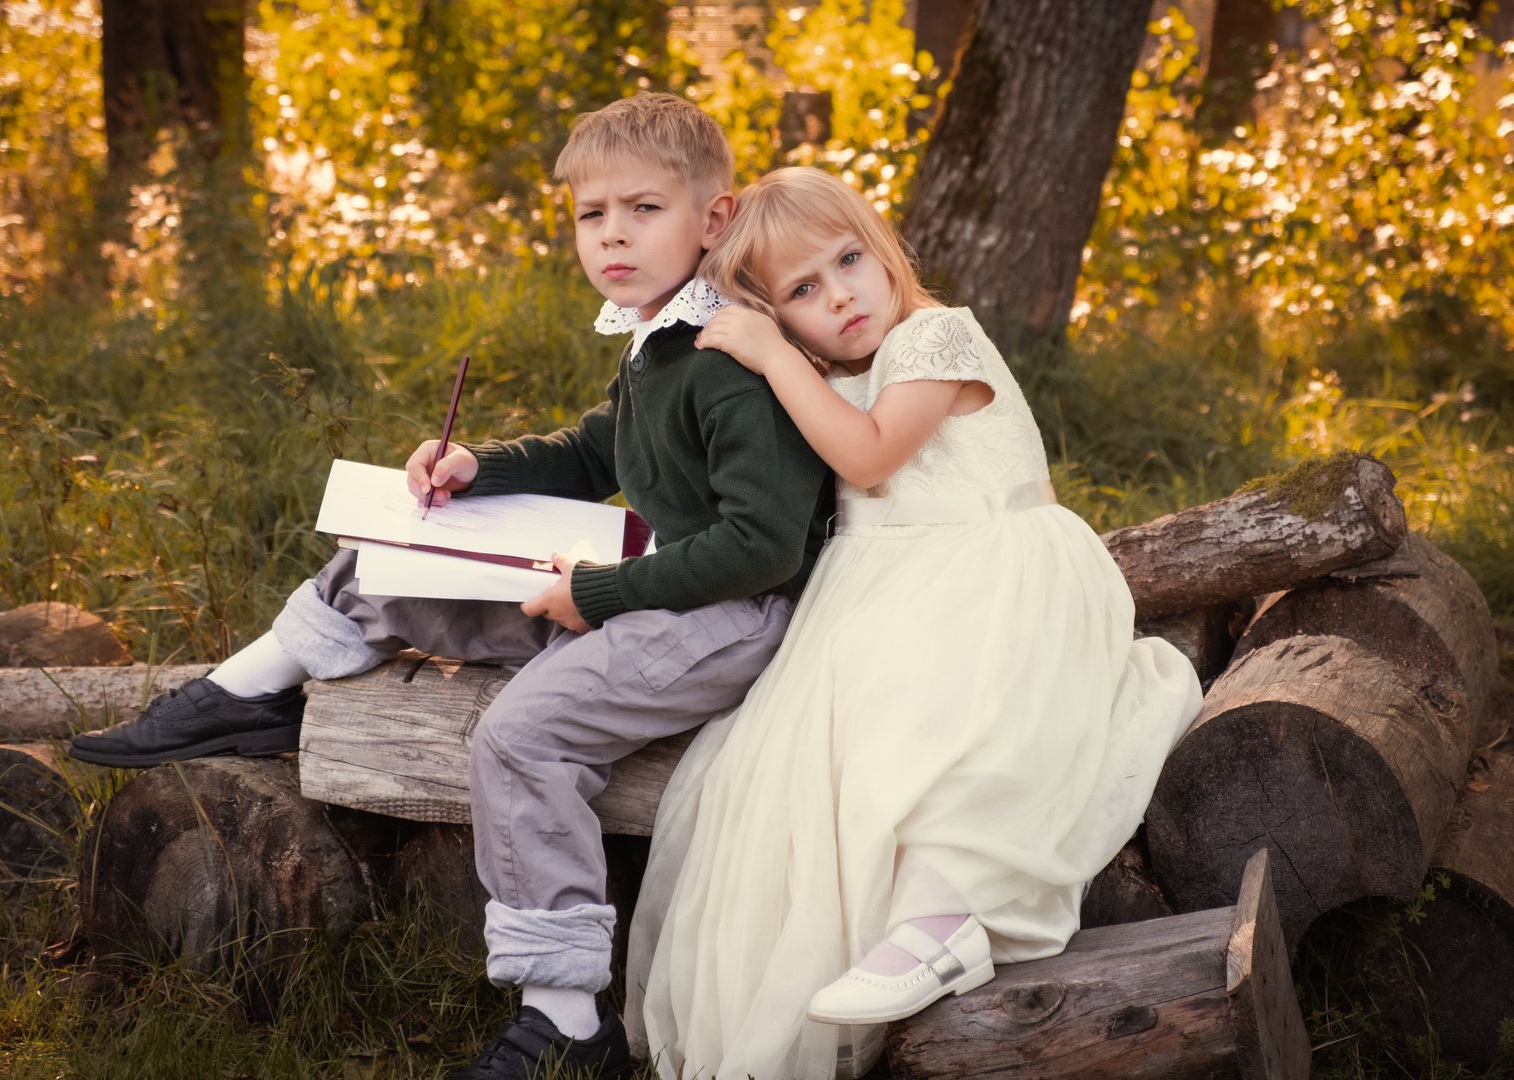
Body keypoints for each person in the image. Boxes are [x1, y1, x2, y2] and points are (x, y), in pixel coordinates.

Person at [71, 95, 832, 1080]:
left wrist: (594, 597)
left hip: (727, 617)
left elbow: (763, 547)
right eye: (589, 215)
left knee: (523, 736)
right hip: (654, 583)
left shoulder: (728, 355)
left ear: (713, 219)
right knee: (400, 548)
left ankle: (565, 1023)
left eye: (642, 210)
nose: (611, 235)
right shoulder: (659, 338)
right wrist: (481, 466)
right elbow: (601, 447)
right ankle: (246, 694)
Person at [624, 167, 1204, 1080]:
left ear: (885, 248)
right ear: (779, 311)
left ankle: (943, 919)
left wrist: (774, 356)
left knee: (947, 712)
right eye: (803, 292)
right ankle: (825, 954)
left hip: (994, 568)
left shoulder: (935, 335)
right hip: (873, 595)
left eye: (849, 259)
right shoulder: (816, 377)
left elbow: (872, 457)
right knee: (788, 767)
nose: (841, 295)